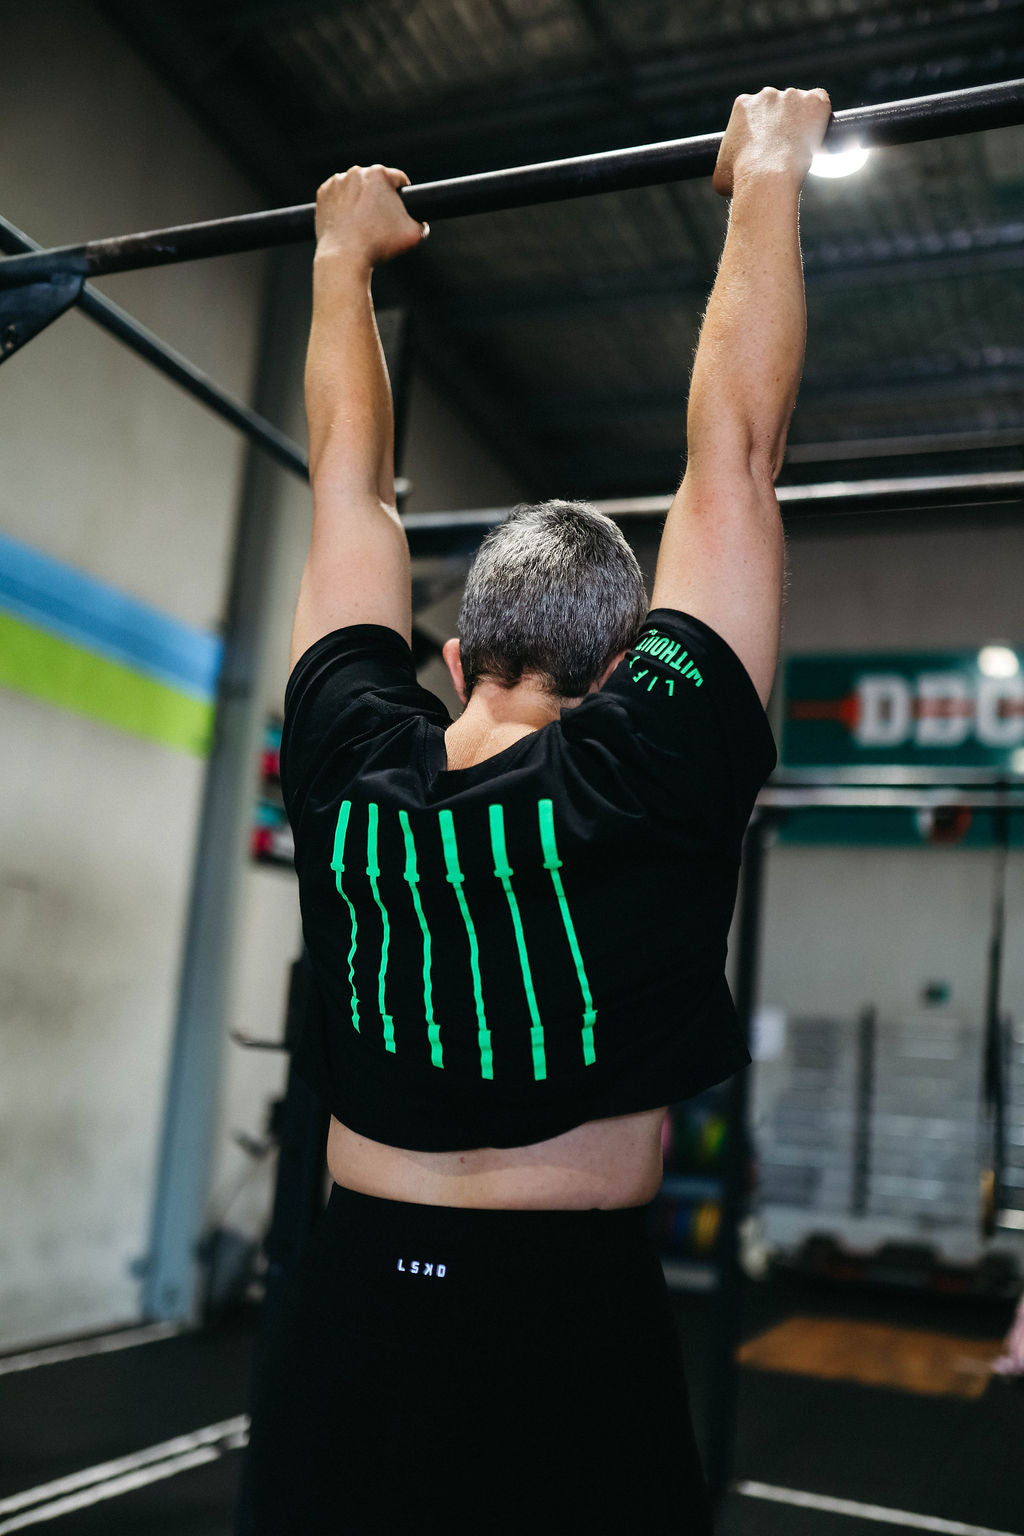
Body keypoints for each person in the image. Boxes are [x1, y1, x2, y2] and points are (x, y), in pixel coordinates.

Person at [244, 86, 832, 1535]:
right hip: (570, 1325)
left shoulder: (347, 763)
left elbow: (348, 501)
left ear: (453, 659)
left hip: (353, 1309)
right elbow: (735, 458)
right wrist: (766, 175)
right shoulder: (650, 761)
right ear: (629, 668)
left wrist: (339, 260)